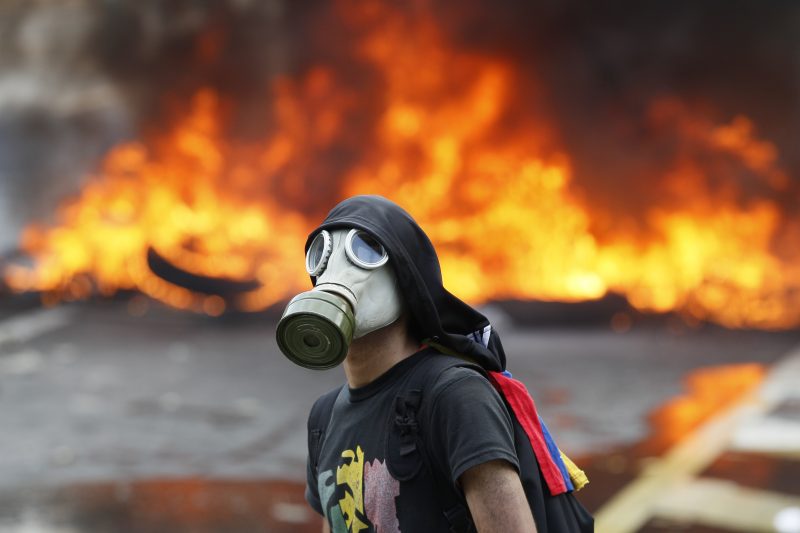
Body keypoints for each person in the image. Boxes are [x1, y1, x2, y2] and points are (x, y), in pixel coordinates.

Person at [276, 195, 591, 532]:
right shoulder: (324, 416)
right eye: (320, 254)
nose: (335, 271)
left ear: (407, 280)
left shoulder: (456, 395)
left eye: (364, 251)